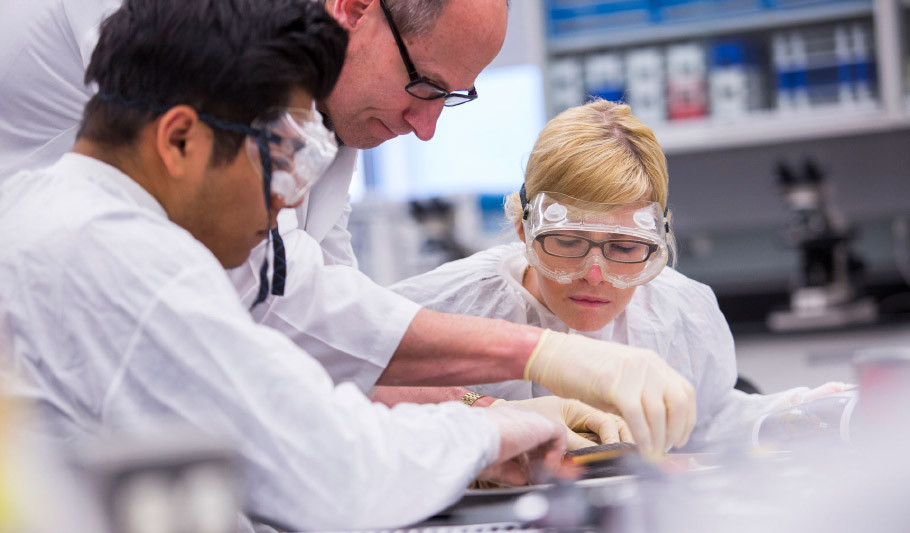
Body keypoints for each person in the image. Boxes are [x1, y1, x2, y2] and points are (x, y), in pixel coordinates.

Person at [0, 0, 697, 453]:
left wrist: (486, 411)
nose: (425, 128)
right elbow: (282, 299)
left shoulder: (321, 104)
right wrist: (532, 360)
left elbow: (335, 328)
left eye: (449, 101)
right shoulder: (203, 38)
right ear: (355, 9)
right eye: (424, 88)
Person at [384, 100, 851, 449]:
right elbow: (347, 388)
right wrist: (479, 413)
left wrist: (787, 412)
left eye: (625, 248)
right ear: (523, 227)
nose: (594, 274)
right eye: (568, 241)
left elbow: (708, 420)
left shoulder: (681, 311)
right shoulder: (442, 306)